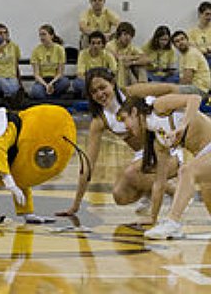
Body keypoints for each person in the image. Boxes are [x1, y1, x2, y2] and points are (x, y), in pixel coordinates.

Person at [55, 67, 184, 217]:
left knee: (130, 173)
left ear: (113, 83)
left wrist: (176, 122)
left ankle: (177, 195)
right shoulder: (100, 121)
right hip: (144, 158)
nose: (100, 94)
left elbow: (171, 88)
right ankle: (150, 189)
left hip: (168, 150)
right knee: (120, 196)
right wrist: (75, 205)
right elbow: (88, 164)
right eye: (94, 91)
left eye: (103, 87)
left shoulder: (133, 92)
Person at [117, 94, 211, 239]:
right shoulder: (159, 139)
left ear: (134, 112)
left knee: (187, 171)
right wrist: (153, 218)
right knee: (206, 190)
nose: (124, 125)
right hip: (203, 155)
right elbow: (159, 183)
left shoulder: (158, 106)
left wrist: (183, 126)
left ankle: (173, 223)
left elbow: (194, 98)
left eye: (124, 119)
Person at [72, 30, 117, 98]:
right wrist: (92, 82)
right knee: (76, 83)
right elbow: (80, 74)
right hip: (87, 80)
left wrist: (100, 82)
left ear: (102, 45)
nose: (95, 46)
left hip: (103, 81)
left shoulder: (108, 55)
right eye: (93, 43)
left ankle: (91, 95)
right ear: (89, 44)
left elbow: (113, 72)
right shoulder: (82, 54)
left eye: (98, 43)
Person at [30, 24, 70, 99]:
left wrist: (51, 84)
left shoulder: (60, 49)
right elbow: (36, 74)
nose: (42, 37)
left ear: (51, 36)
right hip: (42, 80)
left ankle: (51, 97)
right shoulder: (36, 50)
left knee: (65, 82)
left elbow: (60, 73)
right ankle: (50, 98)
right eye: (40, 35)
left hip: (55, 80)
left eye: (44, 34)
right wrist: (46, 85)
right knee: (36, 91)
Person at [106, 22, 148, 88]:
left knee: (140, 66)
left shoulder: (131, 46)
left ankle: (143, 87)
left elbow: (146, 59)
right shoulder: (110, 45)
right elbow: (118, 57)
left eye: (130, 35)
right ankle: (128, 89)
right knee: (123, 62)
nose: (128, 38)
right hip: (113, 71)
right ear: (118, 35)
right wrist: (135, 57)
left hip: (127, 70)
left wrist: (133, 62)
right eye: (125, 34)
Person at [171, 30, 211, 95]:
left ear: (187, 40)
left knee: (170, 91)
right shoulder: (183, 56)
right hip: (193, 86)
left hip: (200, 89)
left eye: (182, 39)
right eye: (177, 41)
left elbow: (187, 80)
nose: (181, 42)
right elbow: (183, 77)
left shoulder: (191, 54)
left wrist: (176, 88)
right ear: (175, 46)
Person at [0, 23, 21, 97]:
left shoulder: (14, 46)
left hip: (11, 77)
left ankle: (8, 100)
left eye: (5, 33)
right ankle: (10, 100)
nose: (3, 35)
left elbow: (16, 64)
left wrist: (20, 81)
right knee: (4, 84)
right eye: (0, 33)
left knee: (13, 85)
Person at [188, 1, 211, 68]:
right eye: (207, 14)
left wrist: (204, 50)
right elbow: (193, 50)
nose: (209, 17)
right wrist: (207, 51)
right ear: (200, 14)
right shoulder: (192, 33)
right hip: (199, 61)